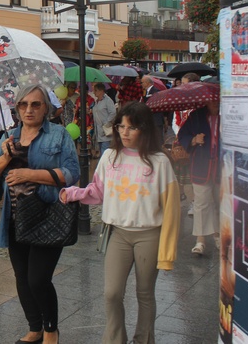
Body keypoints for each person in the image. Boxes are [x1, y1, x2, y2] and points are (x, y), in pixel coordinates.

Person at [60, 101, 180, 344]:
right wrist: (75, 193)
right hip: (118, 234)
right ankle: (115, 339)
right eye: (120, 126)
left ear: (144, 130)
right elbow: (98, 191)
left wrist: (167, 253)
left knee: (145, 294)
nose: (124, 132)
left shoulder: (159, 162)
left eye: (131, 127)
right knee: (112, 293)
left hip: (149, 234)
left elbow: (172, 209)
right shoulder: (109, 157)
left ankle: (143, 339)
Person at [0, 84, 79, 344]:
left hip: (47, 216)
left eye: (35, 104)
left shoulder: (58, 135)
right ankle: (34, 328)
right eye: (23, 104)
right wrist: (4, 157)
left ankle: (50, 330)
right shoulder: (8, 137)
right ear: (17, 108)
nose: (29, 109)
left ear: (45, 107)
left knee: (38, 279)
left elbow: (72, 173)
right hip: (15, 218)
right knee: (22, 279)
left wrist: (30, 175)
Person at [178, 99, 220, 255]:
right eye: (212, 100)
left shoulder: (230, 113)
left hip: (222, 166)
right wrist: (194, 140)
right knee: (201, 203)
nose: (215, 102)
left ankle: (218, 236)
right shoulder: (196, 116)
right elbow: (182, 134)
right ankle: (200, 240)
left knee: (219, 202)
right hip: (201, 165)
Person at [92, 82, 116, 157]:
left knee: (104, 152)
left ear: (101, 91)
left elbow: (113, 112)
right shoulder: (96, 101)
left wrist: (106, 122)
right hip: (98, 130)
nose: (94, 92)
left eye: (96, 90)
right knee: (100, 150)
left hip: (105, 130)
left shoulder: (108, 100)